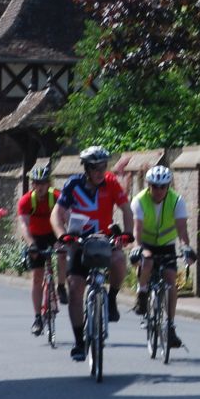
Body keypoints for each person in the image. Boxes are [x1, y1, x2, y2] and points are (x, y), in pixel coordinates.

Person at [52, 146, 133, 361]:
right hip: (79, 242)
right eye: (95, 167)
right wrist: (62, 235)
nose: (100, 171)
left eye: (103, 167)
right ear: (86, 168)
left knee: (118, 259)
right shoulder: (73, 184)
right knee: (76, 288)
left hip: (104, 239)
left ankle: (113, 298)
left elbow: (126, 209)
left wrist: (127, 234)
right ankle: (79, 342)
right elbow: (57, 214)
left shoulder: (111, 183)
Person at [130, 165, 194, 351]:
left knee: (170, 279)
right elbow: (137, 229)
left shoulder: (177, 201)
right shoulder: (139, 200)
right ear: (148, 186)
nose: (159, 191)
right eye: (155, 187)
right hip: (147, 244)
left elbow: (182, 229)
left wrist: (186, 248)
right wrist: (137, 248)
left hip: (166, 245)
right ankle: (142, 294)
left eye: (163, 187)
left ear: (168, 186)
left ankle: (171, 326)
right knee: (147, 261)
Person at [18, 162, 60, 336]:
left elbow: (65, 218)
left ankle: (60, 289)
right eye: (36, 183)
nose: (40, 187)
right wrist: (31, 244)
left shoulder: (56, 197)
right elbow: (23, 226)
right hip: (36, 238)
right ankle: (37, 318)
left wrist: (62, 240)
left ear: (48, 184)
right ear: (32, 184)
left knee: (62, 261)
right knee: (37, 278)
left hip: (53, 234)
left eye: (43, 183)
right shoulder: (26, 201)